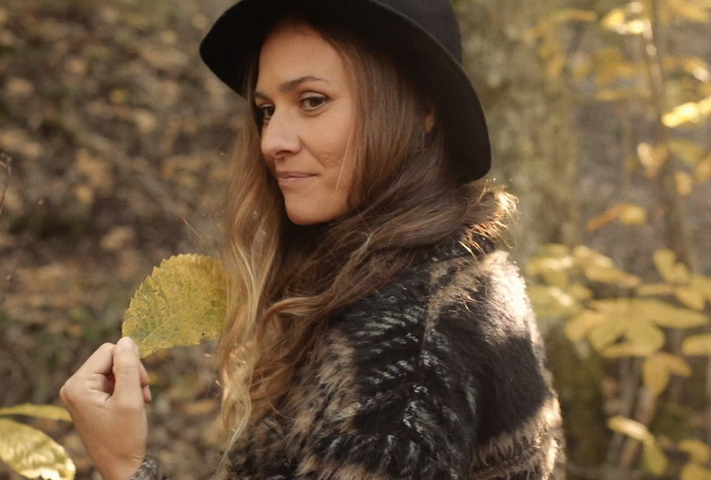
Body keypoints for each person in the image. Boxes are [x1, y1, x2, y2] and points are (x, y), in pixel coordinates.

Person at [60, 0, 565, 479]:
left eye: (312, 101)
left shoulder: (411, 349)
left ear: (421, 108)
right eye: (266, 109)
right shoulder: (434, 283)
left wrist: (125, 465)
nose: (272, 141)